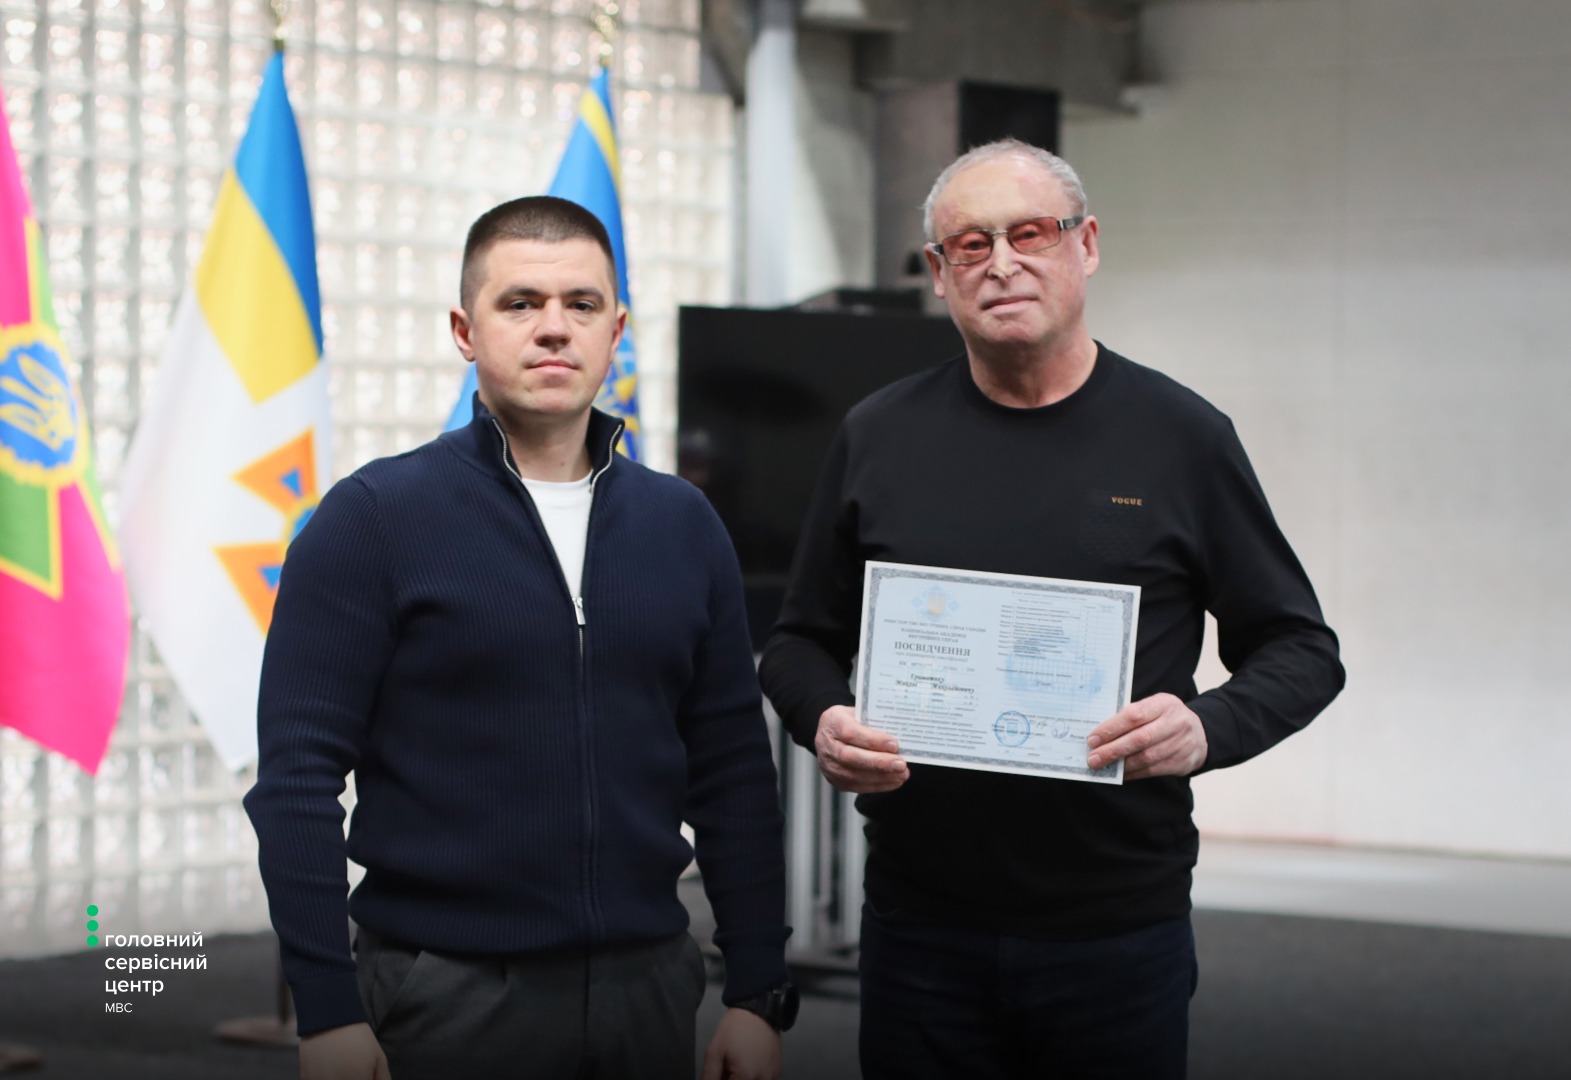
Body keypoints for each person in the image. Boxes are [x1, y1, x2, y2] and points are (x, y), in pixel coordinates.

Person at [758, 139, 1345, 1080]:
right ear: (939, 274)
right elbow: (798, 641)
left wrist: (1206, 727)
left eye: (1029, 233)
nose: (1001, 263)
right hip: (919, 927)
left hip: (1115, 929)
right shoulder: (879, 434)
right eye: (970, 244)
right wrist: (820, 717)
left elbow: (1300, 649)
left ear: (1086, 245)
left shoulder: (1182, 437)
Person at [245, 196, 796, 1080]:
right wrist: (327, 1012)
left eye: (581, 304)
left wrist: (757, 991)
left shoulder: (683, 525)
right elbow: (296, 781)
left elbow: (730, 768)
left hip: (649, 990)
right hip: (443, 992)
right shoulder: (374, 519)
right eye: (520, 303)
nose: (553, 328)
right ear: (465, 331)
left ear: (615, 331)